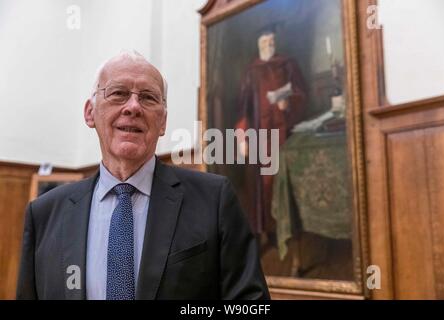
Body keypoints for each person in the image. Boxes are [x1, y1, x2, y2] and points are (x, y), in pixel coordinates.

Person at [16, 51, 269, 300]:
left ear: (163, 122)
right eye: (118, 93)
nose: (133, 107)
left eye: (148, 98)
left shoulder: (214, 200)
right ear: (90, 112)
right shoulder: (44, 215)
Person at [235, 29, 307, 248]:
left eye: (272, 40)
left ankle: (288, 233)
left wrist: (289, 103)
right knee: (261, 186)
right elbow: (243, 107)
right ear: (259, 44)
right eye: (265, 41)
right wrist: (242, 137)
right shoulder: (251, 71)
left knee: (282, 183)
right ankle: (264, 232)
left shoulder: (288, 64)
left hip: (285, 134)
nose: (269, 44)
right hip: (258, 136)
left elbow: (301, 93)